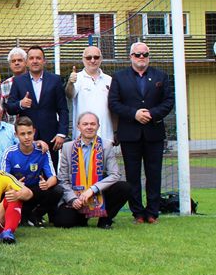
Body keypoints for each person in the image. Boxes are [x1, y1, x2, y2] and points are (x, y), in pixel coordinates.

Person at [108, 42, 174, 224]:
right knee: (132, 175)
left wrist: (152, 114)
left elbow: (168, 101)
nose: (141, 57)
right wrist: (134, 114)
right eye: (138, 54)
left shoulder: (161, 76)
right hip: (130, 134)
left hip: (154, 133)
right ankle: (137, 213)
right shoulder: (119, 77)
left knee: (154, 174)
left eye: (145, 54)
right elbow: (113, 103)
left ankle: (152, 212)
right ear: (131, 56)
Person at [54, 112, 132, 228]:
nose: (89, 127)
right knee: (63, 222)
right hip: (76, 195)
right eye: (85, 124)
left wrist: (92, 189)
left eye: (92, 124)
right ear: (78, 126)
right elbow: (63, 179)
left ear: (98, 126)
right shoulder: (67, 147)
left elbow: (115, 174)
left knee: (124, 187)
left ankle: (105, 220)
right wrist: (73, 199)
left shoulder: (106, 146)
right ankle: (82, 217)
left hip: (98, 193)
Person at [4, 45, 69, 168]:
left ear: (44, 61)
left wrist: (61, 134)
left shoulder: (55, 80)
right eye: (31, 58)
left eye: (38, 58)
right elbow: (10, 108)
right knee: (27, 171)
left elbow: (63, 109)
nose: (35, 61)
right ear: (27, 62)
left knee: (50, 171)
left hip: (51, 138)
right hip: (27, 137)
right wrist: (21, 104)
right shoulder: (18, 81)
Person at [3, 117, 61, 227]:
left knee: (57, 190)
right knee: (3, 192)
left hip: (35, 190)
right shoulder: (9, 153)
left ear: (34, 132)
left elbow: (53, 177)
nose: (26, 137)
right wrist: (15, 185)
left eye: (29, 133)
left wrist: (47, 184)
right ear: (16, 135)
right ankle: (20, 215)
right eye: (22, 134)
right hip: (18, 190)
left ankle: (36, 215)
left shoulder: (42, 151)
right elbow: (3, 179)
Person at [67, 46, 115, 146]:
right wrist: (70, 83)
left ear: (101, 59)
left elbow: (114, 107)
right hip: (83, 137)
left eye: (96, 57)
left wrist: (115, 131)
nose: (92, 60)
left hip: (106, 135)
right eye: (89, 58)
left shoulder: (109, 80)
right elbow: (69, 95)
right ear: (83, 59)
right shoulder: (77, 78)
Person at [0, 47, 27, 124]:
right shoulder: (4, 85)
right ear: (10, 65)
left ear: (26, 62)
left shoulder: (33, 81)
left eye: (20, 60)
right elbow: (1, 109)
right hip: (11, 126)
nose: (16, 63)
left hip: (30, 127)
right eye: (13, 61)